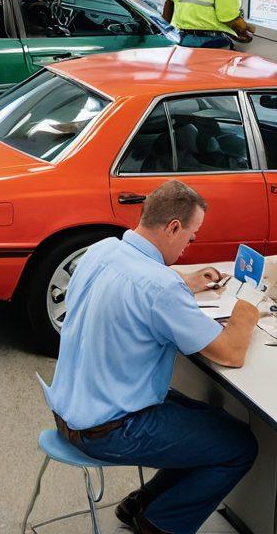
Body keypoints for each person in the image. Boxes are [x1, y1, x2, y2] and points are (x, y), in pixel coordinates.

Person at [46, 180, 263, 534]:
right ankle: (160, 526)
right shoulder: (161, 286)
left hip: (70, 408)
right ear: (173, 227)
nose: (189, 245)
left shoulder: (101, 250)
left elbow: (127, 293)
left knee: (212, 421)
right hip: (108, 430)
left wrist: (185, 284)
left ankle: (141, 504)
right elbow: (231, 353)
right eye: (190, 236)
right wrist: (247, 310)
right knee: (239, 445)